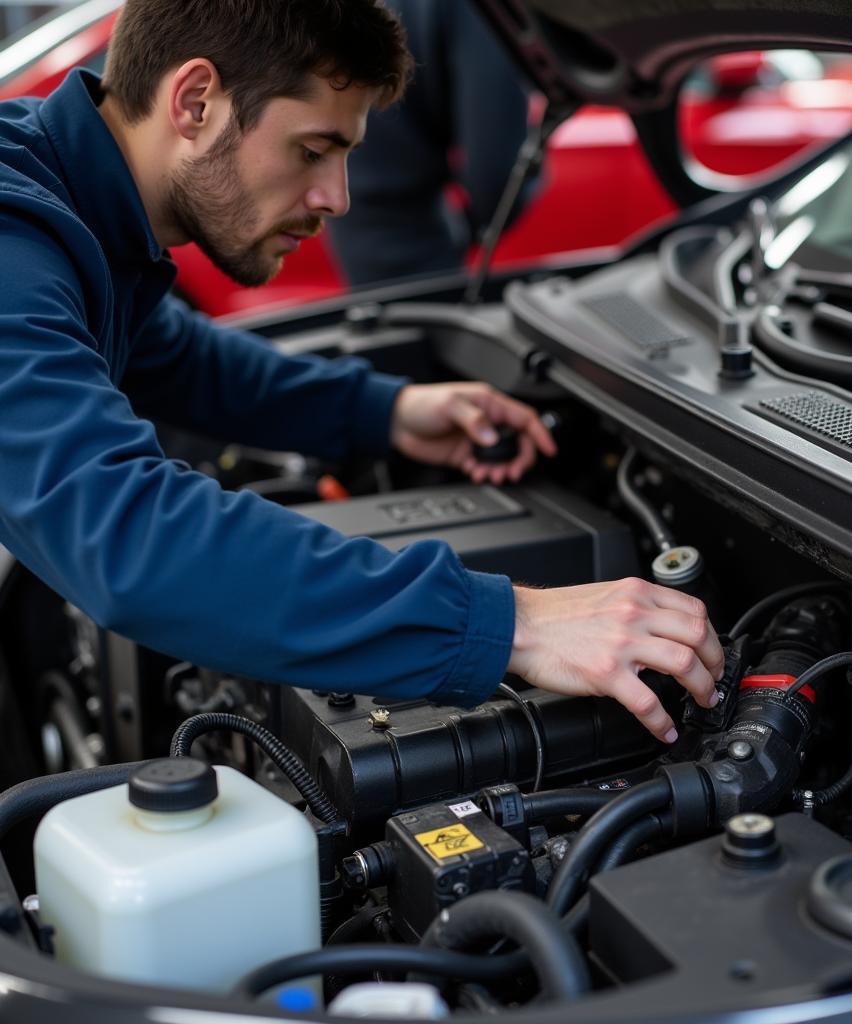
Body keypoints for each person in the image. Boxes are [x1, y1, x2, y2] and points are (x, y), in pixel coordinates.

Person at [0, 0, 723, 748]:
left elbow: (181, 359)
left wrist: (388, 411)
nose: (336, 198)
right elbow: (126, 538)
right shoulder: (12, 245)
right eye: (314, 150)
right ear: (195, 102)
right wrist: (517, 627)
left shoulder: (75, 207)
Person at [326, 0, 532, 285]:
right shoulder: (478, 10)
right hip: (418, 236)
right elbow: (497, 175)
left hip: (353, 226)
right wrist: (470, 225)